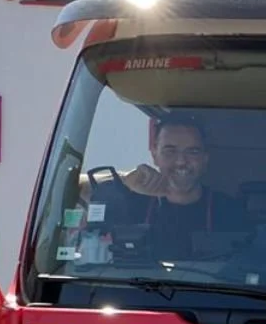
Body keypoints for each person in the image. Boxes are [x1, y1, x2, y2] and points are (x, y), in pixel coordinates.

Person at [79, 112, 249, 263]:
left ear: (205, 158)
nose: (181, 162)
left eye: (193, 152)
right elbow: (68, 187)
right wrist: (126, 181)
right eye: (170, 151)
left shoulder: (229, 210)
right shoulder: (128, 203)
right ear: (154, 154)